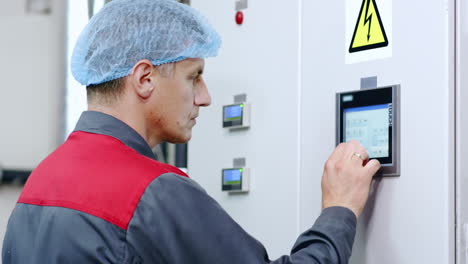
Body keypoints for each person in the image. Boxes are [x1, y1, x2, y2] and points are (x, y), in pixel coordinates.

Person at [2, 0, 381, 263]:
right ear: (145, 78)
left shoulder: (42, 181)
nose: (205, 97)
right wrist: (339, 208)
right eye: (194, 76)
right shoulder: (153, 191)